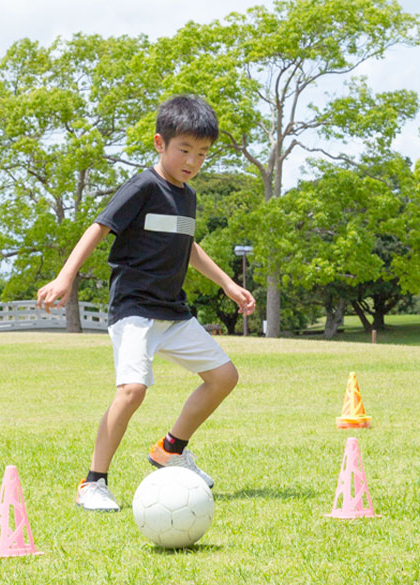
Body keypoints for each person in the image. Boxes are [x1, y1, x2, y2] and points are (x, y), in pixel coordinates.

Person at [36, 95, 256, 512]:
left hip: (172, 311)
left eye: (202, 154)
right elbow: (98, 228)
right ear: (160, 143)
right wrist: (65, 276)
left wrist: (227, 282)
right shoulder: (142, 186)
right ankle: (93, 482)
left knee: (224, 376)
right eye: (184, 150)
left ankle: (171, 449)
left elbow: (187, 244)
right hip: (134, 308)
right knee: (132, 390)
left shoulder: (186, 196)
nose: (192, 161)